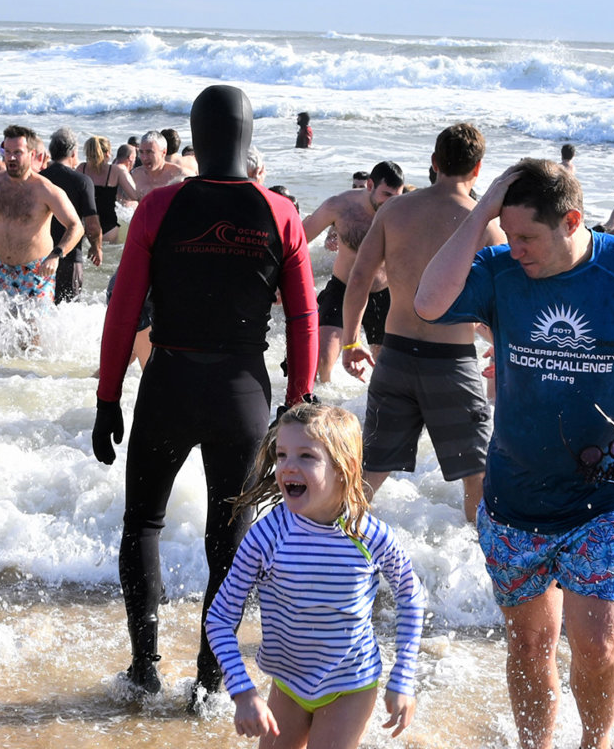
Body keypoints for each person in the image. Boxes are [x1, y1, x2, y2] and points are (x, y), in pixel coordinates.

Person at [413, 159, 614, 749]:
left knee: (599, 639)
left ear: (573, 222)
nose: (514, 250)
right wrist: (486, 203)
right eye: (507, 236)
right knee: (529, 644)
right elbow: (427, 303)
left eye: (527, 239)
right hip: (516, 494)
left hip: (609, 493)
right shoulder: (500, 271)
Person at [93, 83, 319, 712]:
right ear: (250, 137)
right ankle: (211, 682)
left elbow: (122, 311)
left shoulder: (160, 206)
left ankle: (143, 669)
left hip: (169, 381)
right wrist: (299, 403)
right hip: (243, 394)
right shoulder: (280, 213)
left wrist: (109, 396)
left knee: (142, 524)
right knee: (230, 539)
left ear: (197, 134)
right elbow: (303, 318)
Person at [207, 404, 426, 749]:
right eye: (282, 454)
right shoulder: (268, 533)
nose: (288, 467)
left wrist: (403, 677)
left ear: (344, 468)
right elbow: (220, 617)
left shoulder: (368, 535)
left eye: (307, 456)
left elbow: (412, 596)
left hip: (350, 688)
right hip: (289, 685)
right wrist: (243, 692)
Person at [342, 123, 501, 522]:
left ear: (433, 162)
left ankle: (334, 555)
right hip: (453, 364)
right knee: (477, 478)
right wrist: (503, 349)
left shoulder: (394, 210)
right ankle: (487, 574)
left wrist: (350, 342)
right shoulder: (483, 225)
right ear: (478, 169)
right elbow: (507, 302)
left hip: (394, 357)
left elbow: (359, 278)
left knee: (370, 471)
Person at [303, 160, 405, 384]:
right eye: (386, 194)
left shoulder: (402, 212)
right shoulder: (339, 206)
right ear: (369, 185)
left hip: (383, 293)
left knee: (385, 371)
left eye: (396, 196)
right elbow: (298, 240)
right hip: (343, 288)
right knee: (322, 361)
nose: (391, 202)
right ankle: (325, 408)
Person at [0, 124, 82, 307]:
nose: (10, 157)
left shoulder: (45, 190)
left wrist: (56, 255)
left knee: (33, 334)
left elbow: (76, 226)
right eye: (7, 151)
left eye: (17, 152)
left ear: (32, 155)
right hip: (0, 269)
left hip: (36, 273)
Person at [42, 127, 102, 303]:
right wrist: (96, 247)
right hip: (69, 256)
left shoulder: (39, 179)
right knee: (68, 309)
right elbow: (91, 224)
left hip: (40, 257)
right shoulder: (81, 181)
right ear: (74, 153)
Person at [82, 135, 136, 243]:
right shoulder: (115, 171)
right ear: (107, 153)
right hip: (109, 229)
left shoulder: (81, 168)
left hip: (86, 227)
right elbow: (134, 196)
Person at [132, 131, 184, 196]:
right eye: (141, 152)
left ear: (163, 152)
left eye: (149, 152)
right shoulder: (135, 176)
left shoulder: (179, 175)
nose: (144, 158)